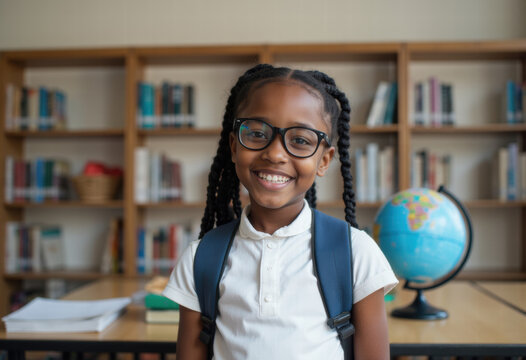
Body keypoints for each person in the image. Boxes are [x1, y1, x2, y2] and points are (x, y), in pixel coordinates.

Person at [163, 64, 398, 360]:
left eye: (300, 140)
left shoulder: (355, 252)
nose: (274, 154)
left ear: (324, 161)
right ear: (234, 146)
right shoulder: (201, 259)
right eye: (258, 134)